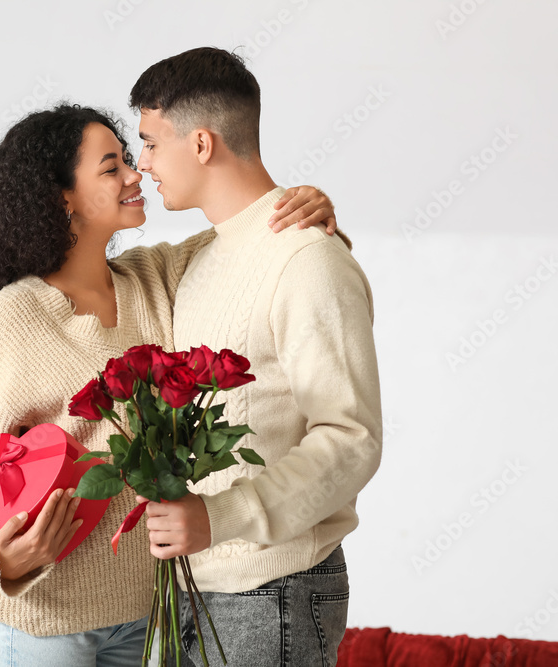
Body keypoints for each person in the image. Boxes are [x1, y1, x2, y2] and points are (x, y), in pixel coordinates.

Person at [0, 103, 340, 666]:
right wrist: (0, 562)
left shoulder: (154, 277)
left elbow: (253, 238)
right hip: (41, 623)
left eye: (129, 159)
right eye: (111, 167)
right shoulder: (15, 316)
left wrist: (306, 205)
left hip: (145, 619)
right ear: (63, 198)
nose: (135, 173)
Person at [128, 47, 382, 667]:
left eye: (151, 143)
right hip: (190, 590)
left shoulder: (308, 260)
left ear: (202, 143)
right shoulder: (200, 259)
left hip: (274, 592)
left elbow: (351, 438)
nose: (143, 163)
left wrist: (221, 517)